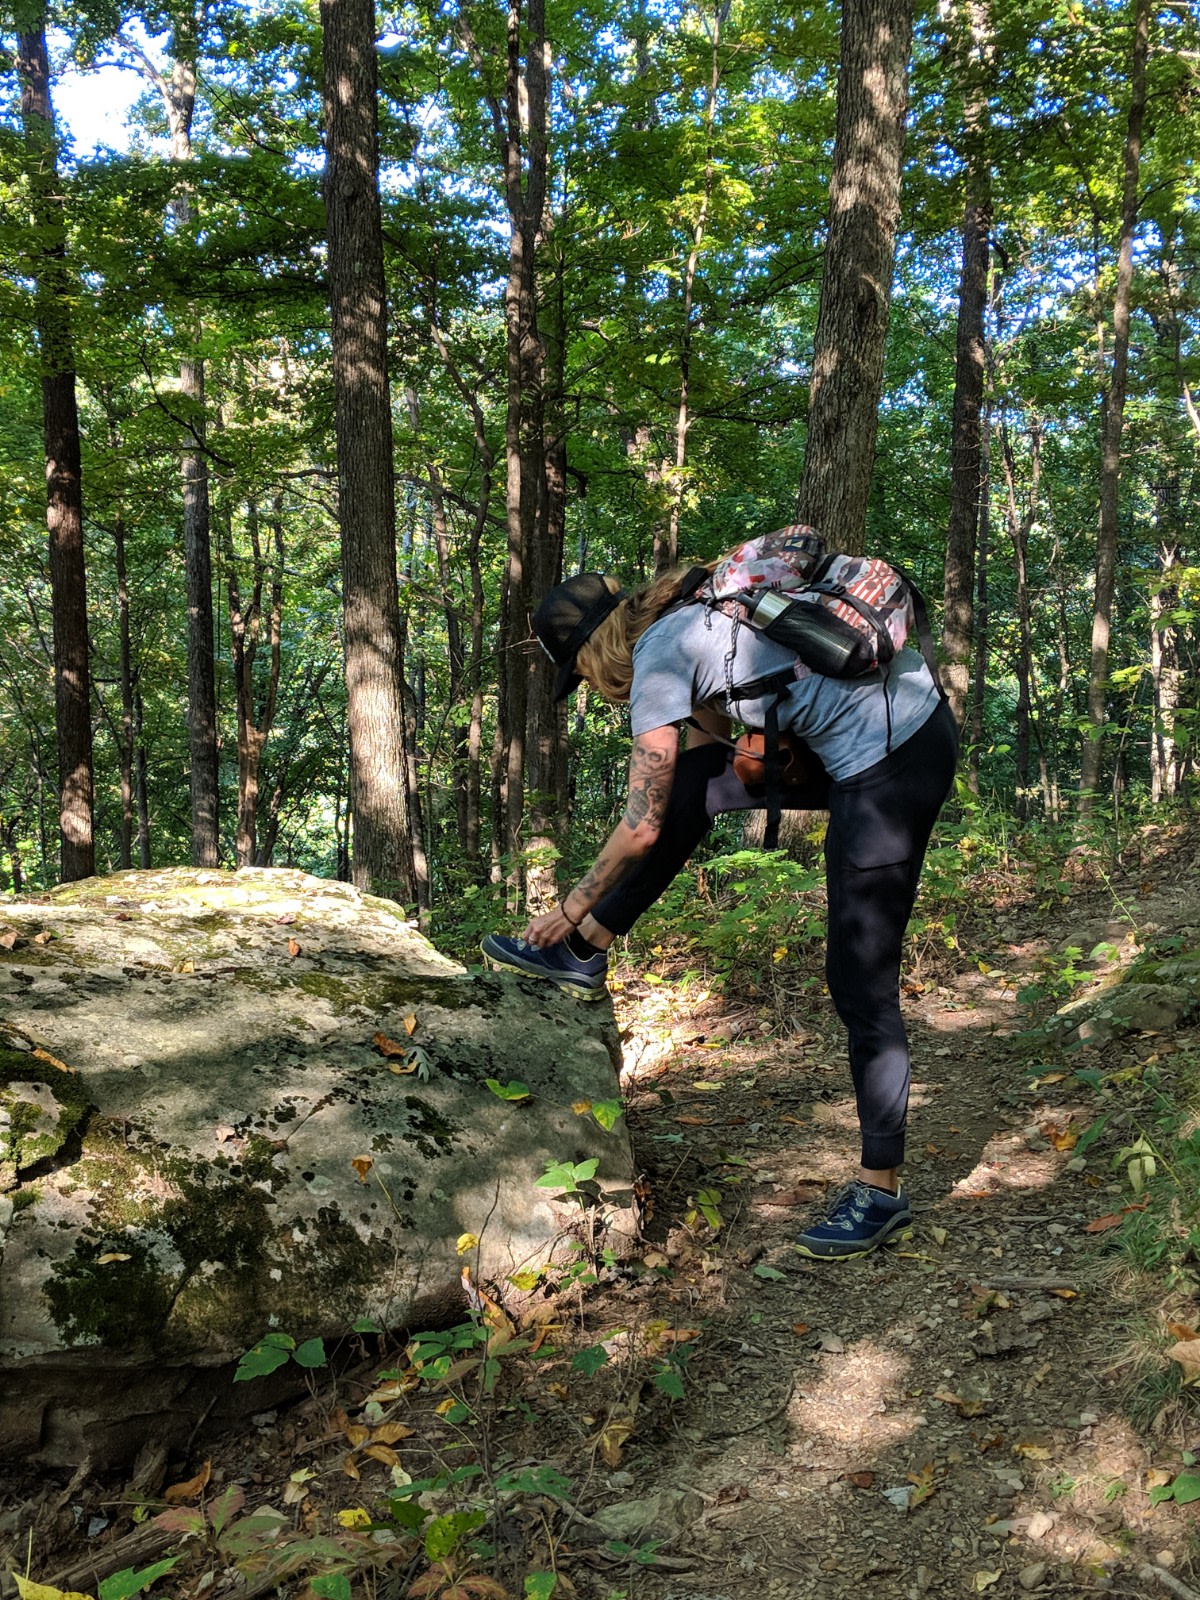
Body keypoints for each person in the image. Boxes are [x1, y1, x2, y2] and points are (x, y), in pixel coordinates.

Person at [482, 557, 958, 1260]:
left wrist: (571, 903)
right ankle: (587, 952)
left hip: (893, 757)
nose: (590, 689)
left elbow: (639, 824)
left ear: (594, 652)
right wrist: (591, 919)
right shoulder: (689, 620)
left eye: (580, 675)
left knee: (860, 977)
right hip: (888, 728)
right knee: (694, 791)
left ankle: (880, 1190)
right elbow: (684, 794)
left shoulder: (659, 662)